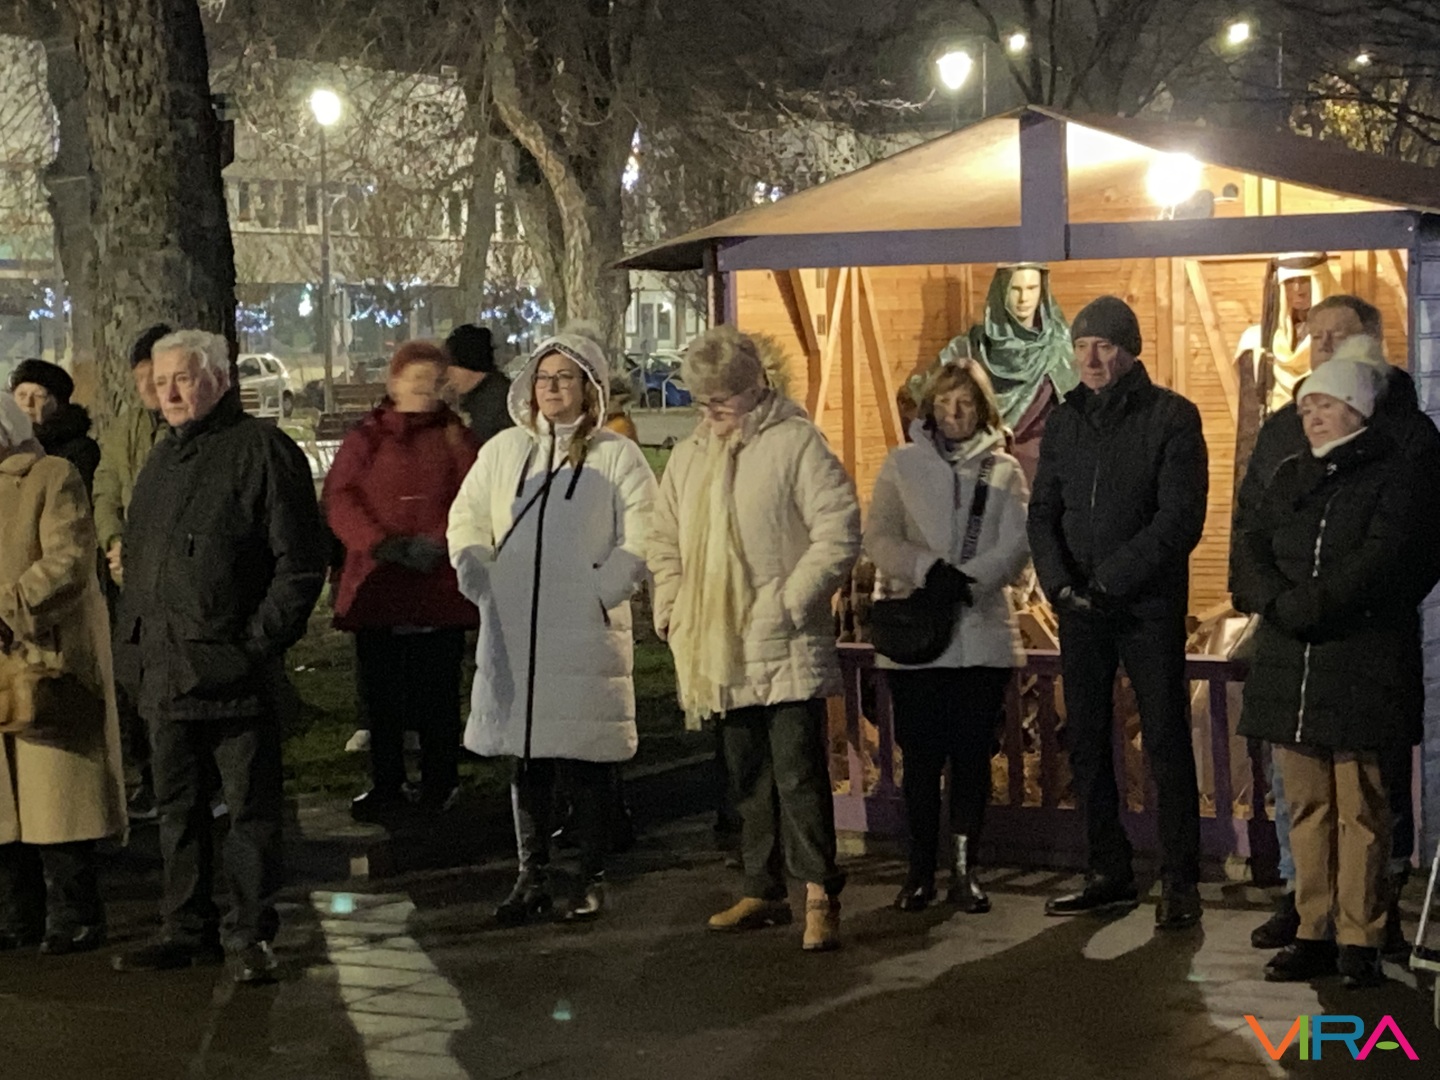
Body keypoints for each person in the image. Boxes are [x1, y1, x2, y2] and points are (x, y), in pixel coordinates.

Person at [110, 330, 326, 983]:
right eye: (162, 381)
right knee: (178, 811)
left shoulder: (262, 451)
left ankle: (250, 932)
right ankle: (186, 927)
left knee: (249, 813)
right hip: (164, 671)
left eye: (183, 378)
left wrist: (254, 645)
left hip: (233, 673)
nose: (170, 393)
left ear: (219, 378)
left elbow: (299, 564)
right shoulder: (162, 459)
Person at [1231, 297, 1440, 955]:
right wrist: (1270, 598)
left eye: (1337, 335)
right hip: (1291, 651)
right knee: (1303, 798)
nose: (1321, 344)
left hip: (1361, 648)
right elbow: (1252, 525)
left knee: (1365, 802)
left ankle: (1368, 923)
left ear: (1370, 343)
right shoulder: (1286, 441)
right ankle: (1309, 916)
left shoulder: (1404, 443)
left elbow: (1398, 549)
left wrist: (1327, 603)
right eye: (1314, 335)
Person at [649, 326, 860, 952]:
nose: (711, 412)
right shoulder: (690, 457)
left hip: (783, 640)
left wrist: (791, 602)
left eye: (723, 399)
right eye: (703, 401)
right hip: (717, 643)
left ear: (755, 388)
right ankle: (761, 887)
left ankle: (819, 892)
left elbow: (837, 530)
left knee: (798, 774)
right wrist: (672, 604)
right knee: (746, 774)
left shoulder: (795, 444)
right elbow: (665, 538)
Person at [448, 327, 656, 923]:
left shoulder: (616, 456)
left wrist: (602, 590)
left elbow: (644, 533)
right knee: (526, 758)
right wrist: (480, 578)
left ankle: (589, 876)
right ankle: (531, 875)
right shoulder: (504, 452)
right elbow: (466, 519)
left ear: (589, 387)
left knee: (584, 759)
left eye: (565, 378)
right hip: (515, 628)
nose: (552, 388)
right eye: (543, 377)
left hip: (582, 631)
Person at [1027, 296, 1208, 930]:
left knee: (1164, 739)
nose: (1092, 358)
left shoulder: (1171, 417)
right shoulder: (1066, 420)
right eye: (1081, 346)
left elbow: (1178, 519)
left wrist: (1111, 581)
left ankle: (1180, 878)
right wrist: (1059, 585)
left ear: (1129, 350)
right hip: (1080, 607)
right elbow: (1043, 512)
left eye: (1104, 345)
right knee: (1086, 739)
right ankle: (1107, 869)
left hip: (1147, 605)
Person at [864, 358, 1029, 913]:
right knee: (921, 760)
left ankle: (964, 868)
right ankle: (918, 871)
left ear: (982, 408)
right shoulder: (902, 465)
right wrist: (926, 569)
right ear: (930, 408)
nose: (954, 413)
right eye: (944, 402)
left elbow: (1016, 543)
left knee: (972, 760)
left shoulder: (1004, 470)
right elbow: (879, 536)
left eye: (965, 403)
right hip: (918, 638)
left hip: (980, 635)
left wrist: (969, 582)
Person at [324, 341, 479, 821]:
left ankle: (440, 781)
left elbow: (473, 496)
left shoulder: (456, 438)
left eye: (433, 380)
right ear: (395, 383)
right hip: (381, 585)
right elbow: (340, 497)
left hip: (436, 586)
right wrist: (379, 544)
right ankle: (386, 783)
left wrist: (440, 541)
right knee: (382, 697)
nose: (424, 388)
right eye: (415, 378)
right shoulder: (367, 438)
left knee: (437, 694)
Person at [0, 395, 125, 955]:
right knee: (4, 804)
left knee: (57, 800)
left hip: (43, 656)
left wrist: (10, 605)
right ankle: (16, 914)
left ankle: (75, 915)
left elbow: (69, 558)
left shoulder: (50, 475)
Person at [92, 323, 172, 822]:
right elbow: (105, 489)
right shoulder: (125, 431)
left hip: (171, 582)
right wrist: (112, 540)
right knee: (130, 680)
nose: (147, 390)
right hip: (130, 584)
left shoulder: (184, 433)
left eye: (153, 378)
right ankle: (148, 775)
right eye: (140, 379)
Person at [939, 263, 1077, 482]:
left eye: (1032, 288)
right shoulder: (972, 348)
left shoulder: (1060, 347)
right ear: (1002, 290)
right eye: (1015, 289)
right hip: (986, 469)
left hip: (1047, 470)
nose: (1024, 298)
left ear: (1042, 290)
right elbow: (929, 397)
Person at [9, 358, 101, 495]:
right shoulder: (6, 445)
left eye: (38, 395)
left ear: (58, 404)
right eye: (21, 395)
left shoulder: (80, 450)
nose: (28, 402)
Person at [446, 323, 514, 446]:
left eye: (453, 369)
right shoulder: (476, 397)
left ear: (471, 366)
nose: (449, 377)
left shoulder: (498, 404)